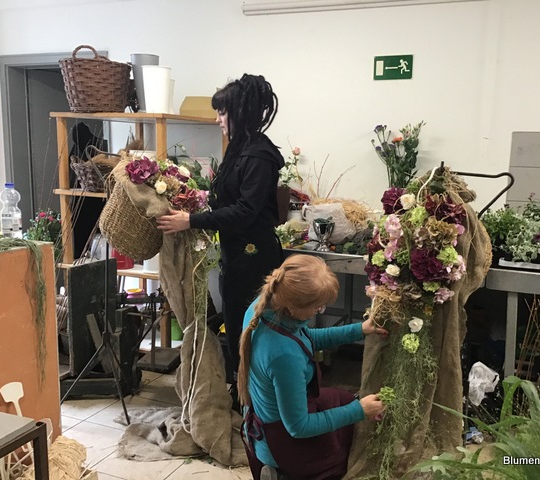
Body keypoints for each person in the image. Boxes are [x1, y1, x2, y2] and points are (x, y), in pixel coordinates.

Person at [156, 74, 285, 408]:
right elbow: (228, 201)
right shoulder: (240, 150)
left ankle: (254, 403)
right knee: (237, 324)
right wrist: (194, 203)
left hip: (254, 257)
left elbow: (245, 211)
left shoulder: (258, 156)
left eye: (223, 112)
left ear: (240, 112)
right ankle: (243, 396)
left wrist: (191, 220)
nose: (217, 119)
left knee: (250, 329)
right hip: (236, 254)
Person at [238, 254, 388, 480]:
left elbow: (305, 339)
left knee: (343, 399)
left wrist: (360, 330)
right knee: (345, 451)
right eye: (318, 307)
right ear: (292, 307)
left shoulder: (263, 307)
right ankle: (282, 472)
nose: (320, 310)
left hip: (267, 420)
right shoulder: (283, 356)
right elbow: (299, 427)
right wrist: (360, 411)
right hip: (281, 443)